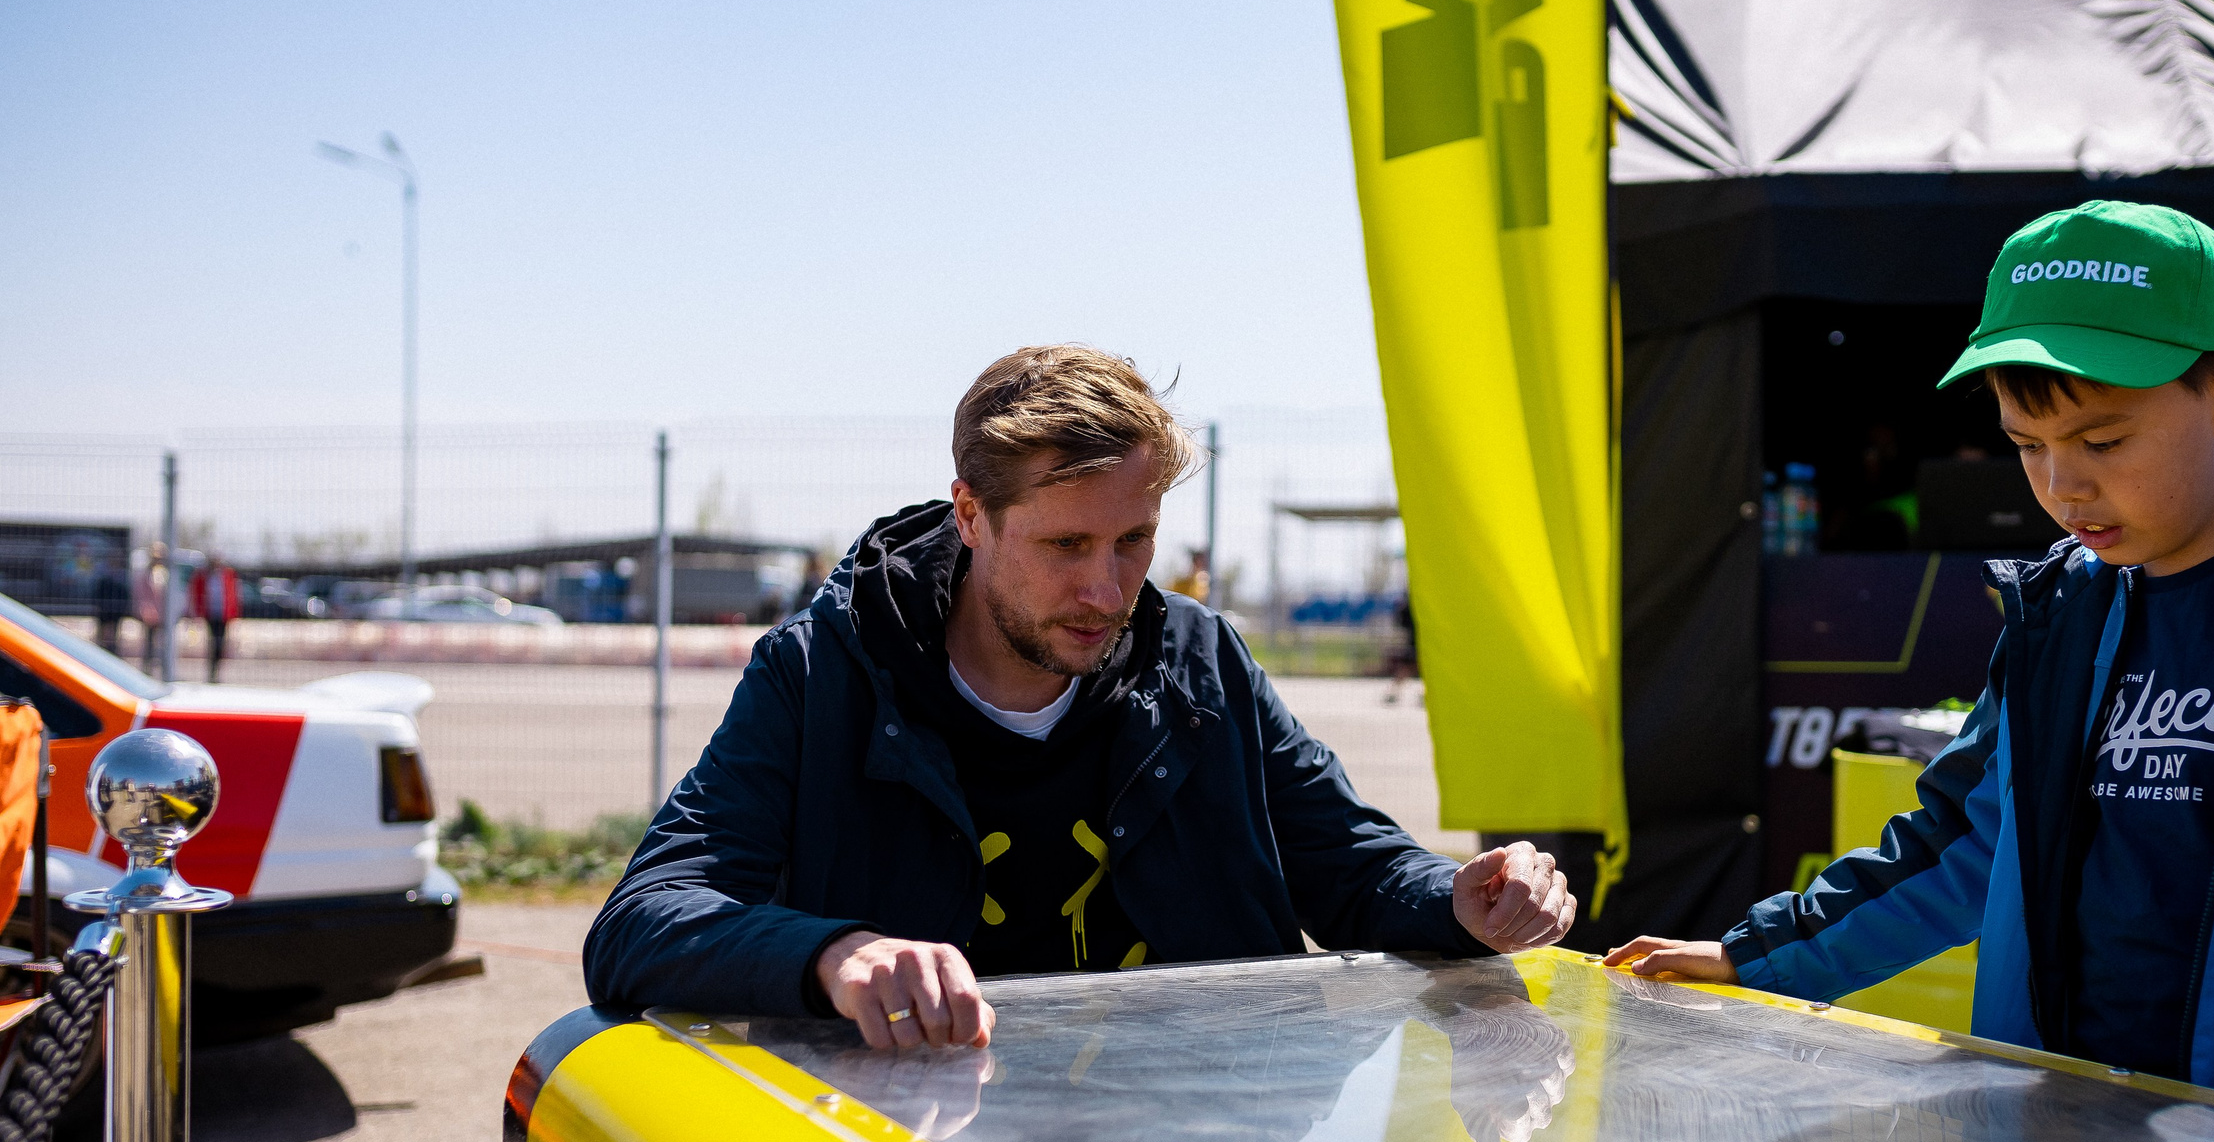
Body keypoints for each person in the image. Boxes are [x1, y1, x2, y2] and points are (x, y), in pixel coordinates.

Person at [1607, 200, 2214, 1142]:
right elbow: (1958, 839)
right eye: (2028, 444)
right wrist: (1755, 958)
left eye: (2102, 441)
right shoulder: (2062, 607)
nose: (2063, 486)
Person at [586, 345, 1575, 1047]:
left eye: (1132, 543)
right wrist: (837, 956)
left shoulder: (1200, 659)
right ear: (971, 517)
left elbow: (1346, 863)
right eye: (1066, 546)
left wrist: (1456, 898)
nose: (1107, 591)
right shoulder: (822, 672)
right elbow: (645, 920)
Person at [191, 559, 241, 682]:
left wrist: (234, 613)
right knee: (212, 641)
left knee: (220, 642)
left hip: (223, 614)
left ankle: (217, 670)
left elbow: (233, 594)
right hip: (211, 613)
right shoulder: (204, 576)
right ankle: (211, 671)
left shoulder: (227, 575)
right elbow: (197, 593)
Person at [92, 562, 130, 660]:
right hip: (105, 610)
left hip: (116, 611)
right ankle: (101, 649)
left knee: (113, 633)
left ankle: (111, 650)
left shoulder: (122, 579)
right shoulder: (105, 579)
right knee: (103, 633)